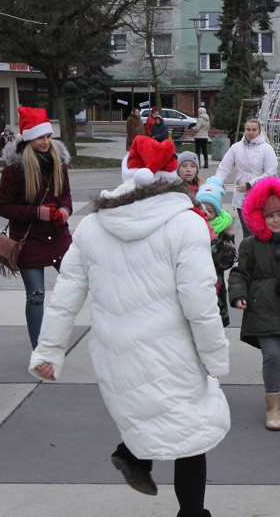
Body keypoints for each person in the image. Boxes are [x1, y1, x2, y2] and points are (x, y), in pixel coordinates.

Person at [29, 135, 230, 517]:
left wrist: (50, 350)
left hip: (116, 350)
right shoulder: (187, 225)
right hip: (174, 349)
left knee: (148, 411)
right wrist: (215, 357)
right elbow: (200, 301)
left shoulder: (92, 226)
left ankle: (135, 457)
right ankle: (190, 510)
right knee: (193, 434)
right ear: (172, 176)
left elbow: (66, 292)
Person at [228, 177, 280, 431]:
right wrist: (239, 294)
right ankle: (273, 405)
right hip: (261, 307)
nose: (276, 220)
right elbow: (239, 273)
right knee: (272, 356)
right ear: (260, 217)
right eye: (270, 215)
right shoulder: (251, 245)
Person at [0, 106, 73, 350]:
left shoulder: (58, 163)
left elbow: (66, 196)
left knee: (77, 283)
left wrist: (65, 211)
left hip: (58, 236)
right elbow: (3, 206)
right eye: (41, 137)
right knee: (36, 296)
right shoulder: (14, 170)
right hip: (29, 240)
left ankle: (60, 335)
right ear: (29, 138)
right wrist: (35, 213)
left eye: (49, 137)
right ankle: (39, 349)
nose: (46, 141)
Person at [215, 118, 278, 239]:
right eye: (248, 129)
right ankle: (247, 256)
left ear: (259, 131)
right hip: (241, 196)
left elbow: (271, 173)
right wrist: (217, 183)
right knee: (247, 232)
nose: (251, 132)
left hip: (261, 195)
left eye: (254, 130)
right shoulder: (236, 147)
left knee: (261, 230)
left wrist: (250, 184)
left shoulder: (267, 149)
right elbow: (224, 168)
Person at [197, 176, 236, 327]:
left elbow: (227, 261)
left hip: (215, 288)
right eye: (202, 209)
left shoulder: (225, 229)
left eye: (210, 211)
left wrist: (213, 238)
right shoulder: (189, 224)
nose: (205, 214)